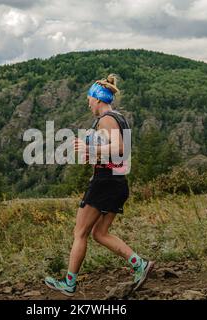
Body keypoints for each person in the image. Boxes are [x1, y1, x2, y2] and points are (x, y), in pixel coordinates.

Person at [44, 74, 153, 297]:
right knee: (100, 233)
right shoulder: (118, 117)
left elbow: (121, 148)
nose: (88, 103)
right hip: (117, 181)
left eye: (89, 99)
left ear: (98, 99)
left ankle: (69, 284)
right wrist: (90, 153)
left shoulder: (106, 118)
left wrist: (89, 150)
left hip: (105, 182)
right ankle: (139, 264)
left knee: (80, 232)